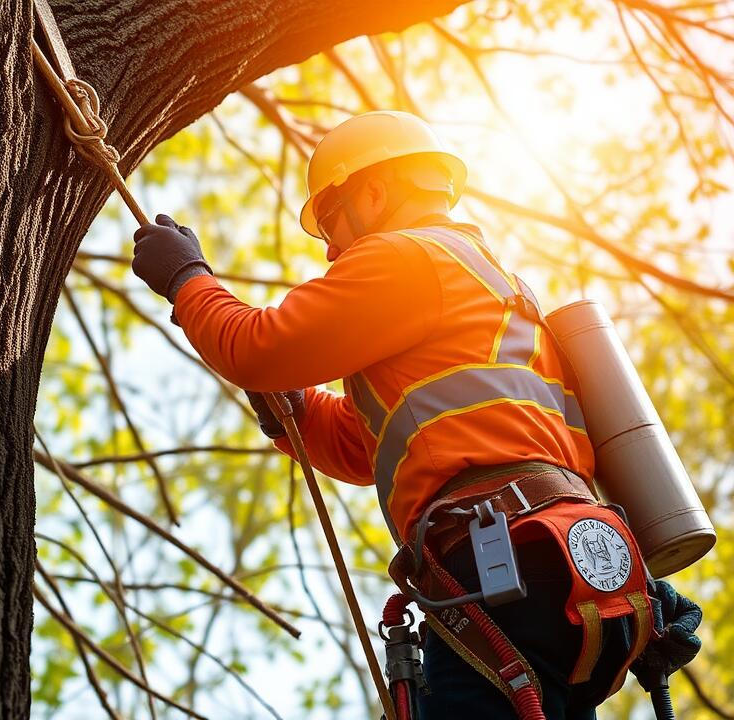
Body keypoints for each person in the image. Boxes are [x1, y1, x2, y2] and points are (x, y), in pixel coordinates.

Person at [128, 110, 701, 718]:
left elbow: (258, 346)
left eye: (329, 220)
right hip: (580, 571)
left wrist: (188, 279)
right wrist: (291, 410)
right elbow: (363, 444)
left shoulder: (406, 258)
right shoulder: (495, 288)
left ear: (373, 192)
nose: (328, 247)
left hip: (500, 560)